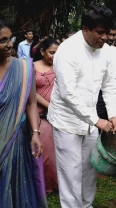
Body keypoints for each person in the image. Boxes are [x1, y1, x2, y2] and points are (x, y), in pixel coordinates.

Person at [47, 5, 116, 208]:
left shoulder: (107, 52)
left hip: (90, 123)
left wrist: (113, 114)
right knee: (70, 172)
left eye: (107, 32)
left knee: (89, 168)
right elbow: (68, 93)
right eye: (100, 32)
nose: (105, 37)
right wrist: (97, 120)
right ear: (85, 29)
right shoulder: (68, 50)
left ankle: (86, 205)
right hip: (66, 122)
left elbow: (109, 84)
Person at [0, 20, 47, 207]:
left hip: (16, 139)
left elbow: (31, 102)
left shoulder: (24, 68)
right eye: (2, 40)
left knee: (15, 183)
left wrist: (35, 133)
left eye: (9, 39)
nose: (9, 44)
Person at [33, 37, 59, 193]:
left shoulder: (60, 67)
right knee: (46, 151)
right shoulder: (32, 67)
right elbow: (32, 93)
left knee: (57, 152)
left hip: (58, 115)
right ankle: (45, 186)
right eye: (51, 53)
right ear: (42, 51)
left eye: (58, 53)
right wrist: (50, 106)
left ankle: (56, 184)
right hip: (39, 115)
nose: (55, 56)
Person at [96, 22, 116, 135]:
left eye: (114, 35)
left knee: (112, 120)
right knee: (98, 122)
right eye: (109, 34)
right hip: (97, 94)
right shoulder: (96, 51)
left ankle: (110, 146)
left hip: (113, 92)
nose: (111, 38)